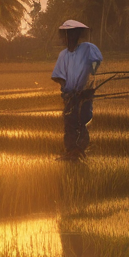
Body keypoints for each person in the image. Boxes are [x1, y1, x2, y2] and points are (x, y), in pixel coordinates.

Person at [51, 20, 103, 160]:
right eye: (69, 33)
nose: (71, 36)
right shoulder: (63, 55)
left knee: (83, 121)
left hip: (84, 95)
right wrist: (67, 91)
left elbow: (95, 65)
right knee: (69, 122)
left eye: (74, 33)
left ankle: (79, 151)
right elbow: (58, 76)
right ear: (65, 35)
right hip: (70, 96)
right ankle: (71, 151)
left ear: (78, 34)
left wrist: (88, 85)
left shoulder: (87, 48)